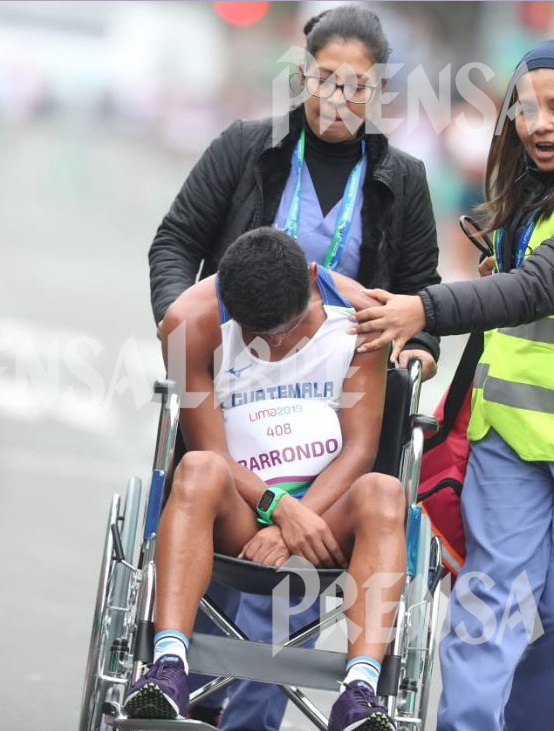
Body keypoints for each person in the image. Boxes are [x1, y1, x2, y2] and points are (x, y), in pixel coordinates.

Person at [350, 39, 554, 731]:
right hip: (510, 438)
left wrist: (425, 309)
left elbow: (540, 288)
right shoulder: (532, 194)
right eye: (525, 108)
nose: (538, 122)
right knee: (490, 598)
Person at [149, 9, 439, 723]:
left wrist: (414, 345)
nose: (337, 96)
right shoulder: (248, 148)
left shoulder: (402, 180)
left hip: (341, 383)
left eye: (355, 85)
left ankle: (284, 706)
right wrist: (180, 322)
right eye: (322, 79)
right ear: (300, 74)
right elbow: (176, 241)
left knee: (298, 583)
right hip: (235, 367)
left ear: (379, 92)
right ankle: (179, 674)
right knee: (211, 496)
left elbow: (421, 291)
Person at [128, 228, 403, 731]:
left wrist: (296, 522)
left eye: (287, 328)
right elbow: (211, 449)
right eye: (257, 332)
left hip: (326, 523)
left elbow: (360, 449)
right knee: (197, 468)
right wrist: (279, 509)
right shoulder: (189, 324)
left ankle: (360, 693)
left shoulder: (359, 320)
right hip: (239, 513)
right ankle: (167, 668)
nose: (274, 343)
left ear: (313, 284)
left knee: (385, 491)